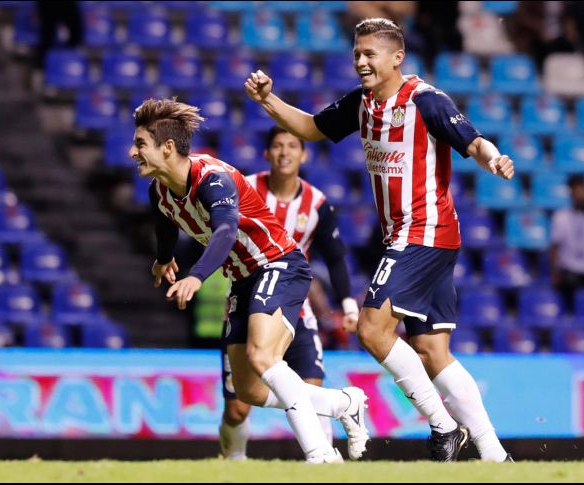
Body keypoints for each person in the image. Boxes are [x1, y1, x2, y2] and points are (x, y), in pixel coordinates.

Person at [244, 18, 514, 463]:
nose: (361, 62)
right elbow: (311, 128)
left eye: (370, 54)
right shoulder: (362, 102)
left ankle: (445, 427)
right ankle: (494, 455)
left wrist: (495, 159)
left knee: (371, 329)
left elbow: (474, 142)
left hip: (423, 231)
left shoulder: (427, 101)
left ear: (396, 57)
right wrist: (267, 100)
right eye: (357, 54)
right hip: (423, 236)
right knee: (431, 351)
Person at [130, 98, 368, 464]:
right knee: (249, 391)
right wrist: (164, 259)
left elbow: (226, 230)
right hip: (242, 279)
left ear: (168, 147)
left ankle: (321, 454)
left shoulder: (213, 179)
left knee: (262, 356)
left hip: (278, 264)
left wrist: (196, 276)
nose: (132, 152)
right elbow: (165, 222)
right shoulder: (158, 190)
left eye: (140, 144)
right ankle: (343, 403)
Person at [218, 125, 365, 461]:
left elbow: (336, 256)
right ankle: (235, 461)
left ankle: (326, 460)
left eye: (292, 146)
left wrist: (347, 305)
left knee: (311, 388)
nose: (284, 152)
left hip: (296, 312)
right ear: (267, 153)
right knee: (239, 407)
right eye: (277, 146)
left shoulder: (317, 203)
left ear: (304, 154)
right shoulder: (244, 189)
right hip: (246, 304)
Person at [550, 174, 584, 311]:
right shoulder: (561, 216)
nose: (580, 194)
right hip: (570, 270)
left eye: (582, 190)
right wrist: (555, 272)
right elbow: (554, 246)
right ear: (571, 193)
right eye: (577, 190)